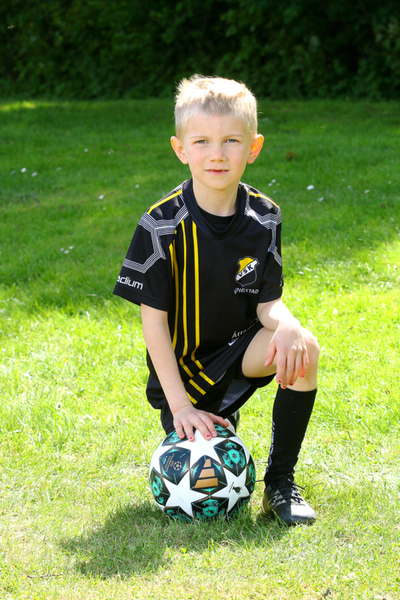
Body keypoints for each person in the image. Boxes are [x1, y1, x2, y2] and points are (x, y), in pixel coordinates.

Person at [113, 75, 320, 525]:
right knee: (202, 482)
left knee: (305, 346)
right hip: (184, 373)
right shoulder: (160, 225)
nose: (217, 154)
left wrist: (288, 324)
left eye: (231, 141)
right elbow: (154, 325)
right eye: (202, 141)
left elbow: (267, 304)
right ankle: (205, 414)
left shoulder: (265, 216)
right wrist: (181, 407)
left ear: (253, 148)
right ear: (180, 149)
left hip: (238, 350)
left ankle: (279, 484)